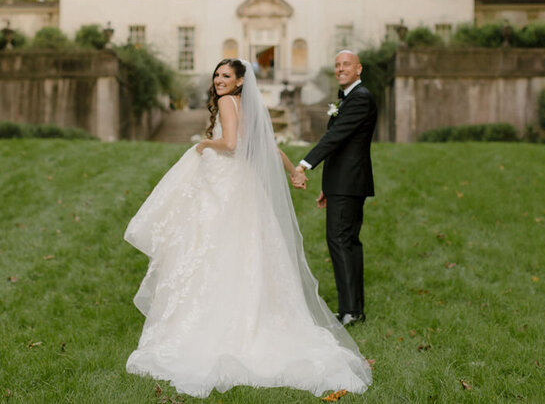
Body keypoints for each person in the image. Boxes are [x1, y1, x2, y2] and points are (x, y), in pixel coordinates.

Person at [124, 58, 372, 398]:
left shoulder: (227, 102)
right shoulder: (247, 106)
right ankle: (255, 315)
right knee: (246, 249)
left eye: (226, 75)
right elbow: (269, 147)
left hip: (225, 185)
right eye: (217, 74)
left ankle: (214, 321)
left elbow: (230, 145)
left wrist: (204, 144)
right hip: (243, 187)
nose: (219, 80)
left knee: (211, 248)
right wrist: (293, 171)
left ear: (240, 81)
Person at [293, 50, 377, 326]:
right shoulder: (350, 98)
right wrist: (328, 187)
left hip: (349, 182)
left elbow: (335, 137)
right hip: (344, 182)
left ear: (359, 69)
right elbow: (341, 145)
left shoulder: (360, 98)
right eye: (337, 65)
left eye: (346, 65)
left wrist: (304, 164)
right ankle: (353, 309)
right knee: (347, 242)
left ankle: (350, 311)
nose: (340, 69)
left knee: (341, 242)